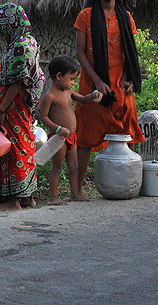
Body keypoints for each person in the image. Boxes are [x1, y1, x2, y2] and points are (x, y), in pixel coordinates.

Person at [74, 0, 145, 198]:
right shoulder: (85, 16)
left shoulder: (125, 17)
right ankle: (78, 190)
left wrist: (127, 78)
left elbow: (130, 53)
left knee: (129, 130)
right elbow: (81, 53)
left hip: (120, 85)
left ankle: (130, 182)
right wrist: (97, 82)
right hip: (93, 87)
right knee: (84, 136)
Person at [0, 3, 46, 211]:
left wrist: (2, 108)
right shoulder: (24, 42)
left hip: (15, 106)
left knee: (12, 147)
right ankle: (27, 197)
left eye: (3, 23)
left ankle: (13, 201)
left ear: (12, 22)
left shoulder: (21, 45)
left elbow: (17, 82)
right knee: (24, 145)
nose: (0, 27)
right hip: (18, 106)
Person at [38, 55, 102, 205]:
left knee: (74, 166)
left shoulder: (68, 92)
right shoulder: (50, 96)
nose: (73, 83)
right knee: (57, 167)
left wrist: (93, 95)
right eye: (71, 79)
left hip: (72, 136)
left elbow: (83, 99)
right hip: (59, 138)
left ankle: (75, 194)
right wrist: (58, 128)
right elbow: (43, 117)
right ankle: (53, 197)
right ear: (59, 76)